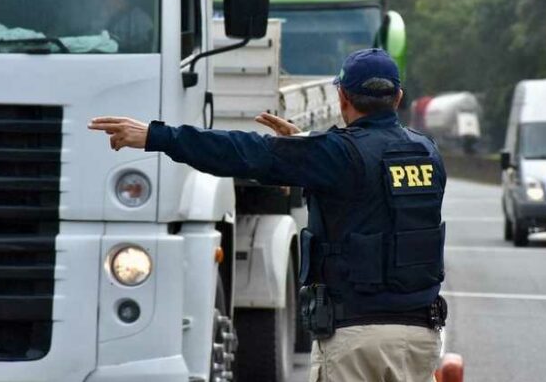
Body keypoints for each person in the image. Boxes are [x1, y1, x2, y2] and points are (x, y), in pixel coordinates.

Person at [88, 48, 447, 382]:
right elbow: (373, 189)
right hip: (420, 338)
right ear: (398, 97)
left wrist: (157, 135)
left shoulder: (337, 156)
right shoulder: (427, 153)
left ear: (343, 98)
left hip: (356, 335)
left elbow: (244, 152)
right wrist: (306, 147)